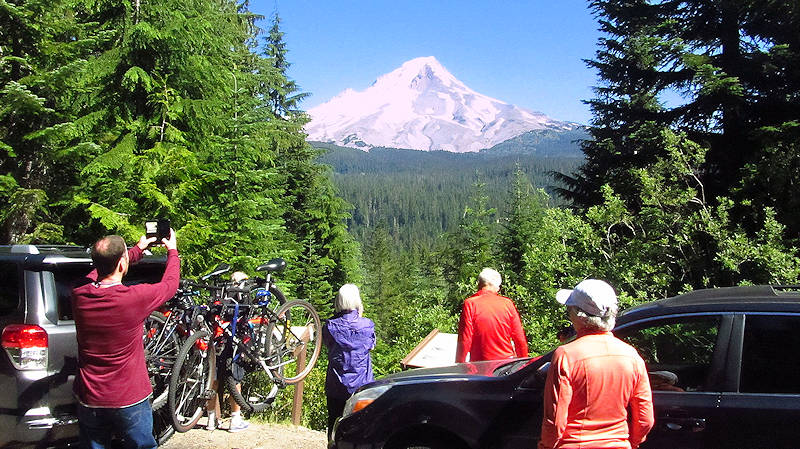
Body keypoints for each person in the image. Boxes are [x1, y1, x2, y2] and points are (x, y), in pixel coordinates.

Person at [72, 230, 180, 449]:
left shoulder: (80, 295)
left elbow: (96, 273)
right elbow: (170, 284)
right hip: (129, 397)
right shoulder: (134, 298)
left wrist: (136, 250)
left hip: (90, 396)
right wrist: (172, 250)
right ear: (122, 264)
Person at [539, 279, 654, 449]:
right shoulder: (632, 356)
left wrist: (545, 446)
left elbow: (555, 420)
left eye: (569, 309)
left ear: (579, 315)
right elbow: (645, 419)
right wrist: (631, 443)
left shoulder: (566, 355)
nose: (568, 314)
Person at [322, 284, 375, 440]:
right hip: (361, 385)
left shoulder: (330, 326)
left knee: (334, 423)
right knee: (362, 427)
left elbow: (328, 344)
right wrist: (360, 315)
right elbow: (370, 346)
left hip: (335, 384)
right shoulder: (367, 325)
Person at [206, 271, 250, 433]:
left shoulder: (221, 295)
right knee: (235, 379)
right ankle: (235, 419)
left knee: (213, 379)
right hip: (234, 342)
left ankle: (211, 419)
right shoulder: (242, 297)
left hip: (216, 341)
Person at [455, 268, 528, 363]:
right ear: (496, 286)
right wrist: (525, 363)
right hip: (505, 365)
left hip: (480, 365)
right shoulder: (507, 304)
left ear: (479, 284)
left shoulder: (470, 304)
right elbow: (519, 339)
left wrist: (459, 363)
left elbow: (465, 339)